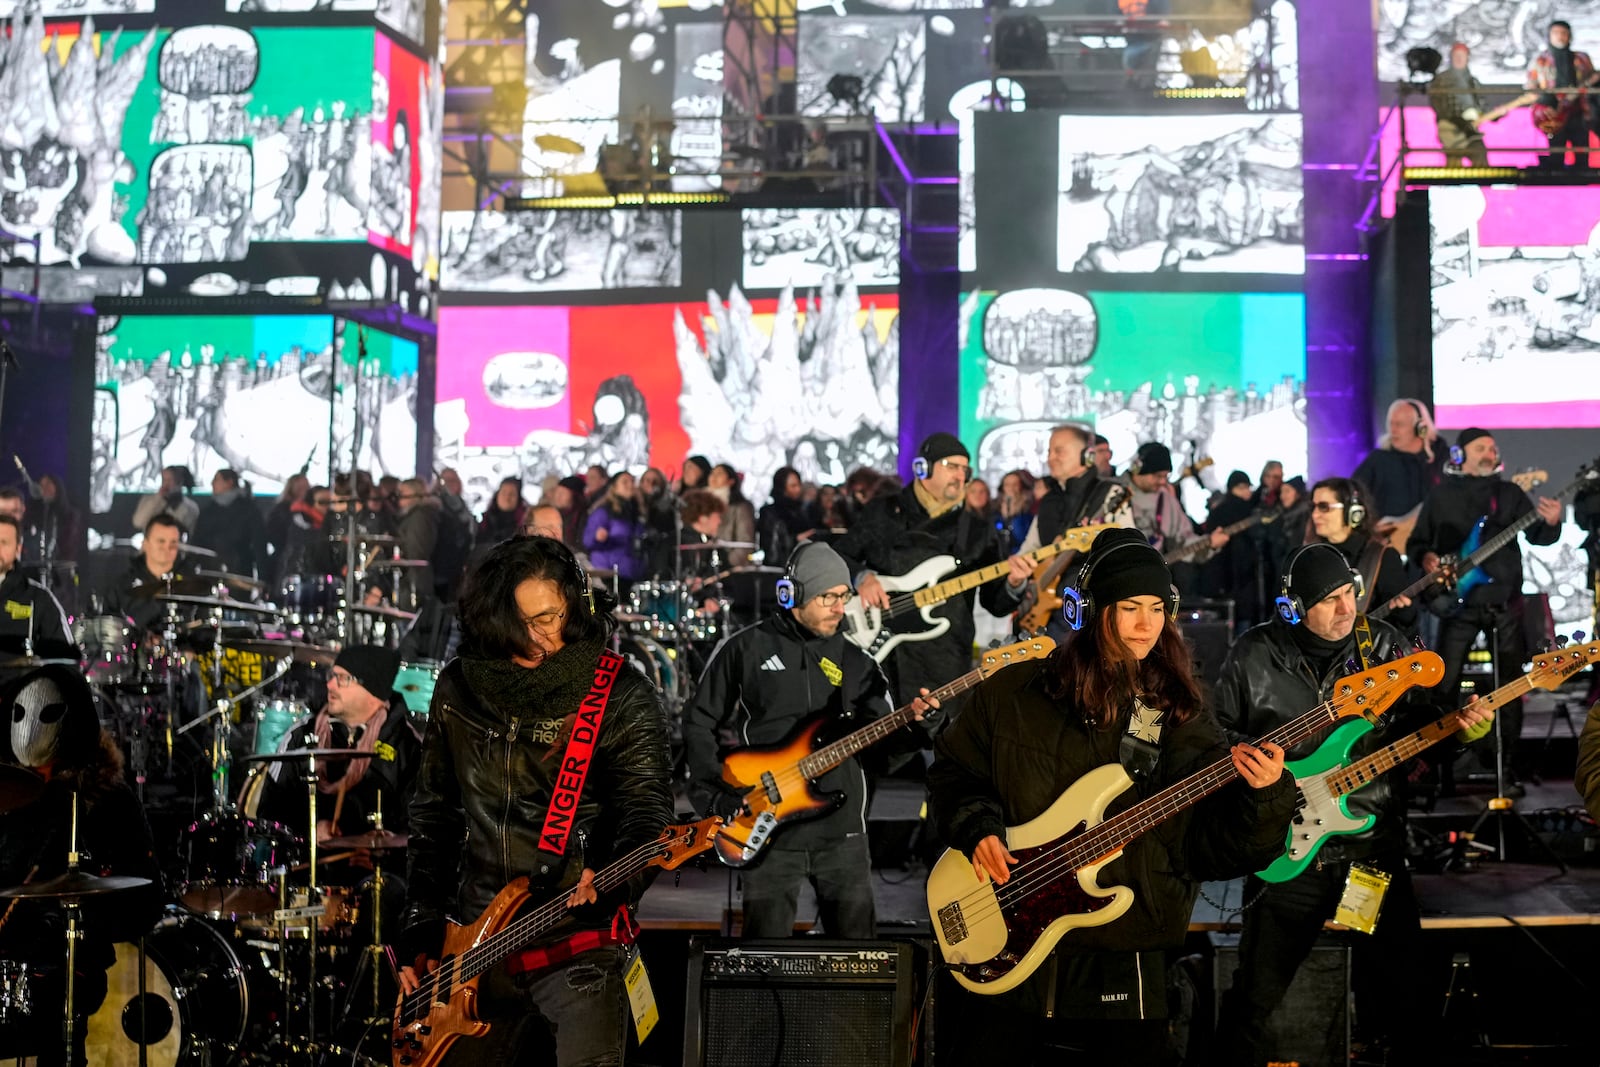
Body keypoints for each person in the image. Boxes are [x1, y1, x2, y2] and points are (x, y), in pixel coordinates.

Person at [927, 529, 1295, 1064]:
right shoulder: (1012, 693)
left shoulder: (1176, 713)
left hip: (1126, 956)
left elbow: (1211, 851)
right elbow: (954, 774)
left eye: (1156, 608)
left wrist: (1264, 799)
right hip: (1003, 934)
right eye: (1129, 608)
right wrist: (977, 827)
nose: (1147, 625)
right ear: (1090, 610)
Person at [1211, 544, 1491, 1066]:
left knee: (1408, 997)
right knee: (1253, 1000)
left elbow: (1421, 726)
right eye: (1329, 600)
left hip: (1370, 851)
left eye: (1349, 595)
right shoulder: (1253, 655)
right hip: (1286, 853)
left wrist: (1461, 733)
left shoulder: (1382, 647)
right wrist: (1255, 769)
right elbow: (1214, 734)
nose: (1346, 610)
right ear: (1294, 606)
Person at [399, 536, 673, 1065]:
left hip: (577, 943)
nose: (538, 638)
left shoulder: (620, 693)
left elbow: (648, 813)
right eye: (520, 624)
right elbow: (434, 814)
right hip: (473, 948)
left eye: (548, 617)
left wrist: (615, 873)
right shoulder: (460, 686)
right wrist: (421, 929)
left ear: (574, 604)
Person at [684, 543, 928, 937]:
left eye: (843, 597)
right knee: (765, 961)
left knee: (856, 959)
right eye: (827, 597)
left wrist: (920, 727)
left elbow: (883, 743)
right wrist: (712, 794)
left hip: (843, 834)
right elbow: (699, 722)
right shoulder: (744, 649)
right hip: (767, 827)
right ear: (791, 596)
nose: (839, 607)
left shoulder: (859, 663)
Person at [0, 665, 163, 1066]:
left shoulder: (106, 798)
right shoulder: (7, 789)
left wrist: (74, 919)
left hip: (67, 964)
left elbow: (144, 899)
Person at [1409, 428, 1564, 792]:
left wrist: (1552, 522)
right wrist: (1426, 558)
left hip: (1504, 604)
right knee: (1443, 687)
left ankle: (1505, 770)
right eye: (1481, 448)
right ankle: (1439, 770)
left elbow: (1538, 536)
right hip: (1456, 606)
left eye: (1493, 448)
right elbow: (1418, 543)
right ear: (1460, 455)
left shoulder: (1509, 494)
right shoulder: (1441, 495)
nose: (1490, 453)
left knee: (1509, 688)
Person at [832, 433, 1022, 708]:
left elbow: (996, 603)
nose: (960, 476)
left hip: (943, 662)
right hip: (878, 656)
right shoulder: (882, 511)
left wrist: (1014, 584)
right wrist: (863, 577)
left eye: (965, 470)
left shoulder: (978, 532)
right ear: (923, 468)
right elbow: (840, 554)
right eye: (951, 466)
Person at [259, 646, 422, 856]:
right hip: (305, 869)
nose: (329, 685)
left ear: (372, 690)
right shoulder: (300, 736)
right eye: (332, 676)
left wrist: (380, 846)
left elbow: (419, 827)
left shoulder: (408, 748)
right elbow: (268, 812)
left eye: (342, 678)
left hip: (377, 876)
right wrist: (310, 830)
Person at [1480, 19, 1598, 169]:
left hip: (1578, 113)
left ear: (1569, 36)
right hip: (1553, 114)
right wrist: (1545, 104)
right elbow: (1531, 86)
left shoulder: (1581, 58)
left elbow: (1592, 80)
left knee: (1582, 155)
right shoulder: (1541, 60)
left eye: (1563, 33)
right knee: (1556, 156)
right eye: (1556, 33)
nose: (1560, 37)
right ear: (1549, 36)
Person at [1307, 477, 1415, 631]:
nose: (1315, 514)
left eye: (1324, 507)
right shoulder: (1310, 557)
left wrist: (1405, 612)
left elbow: (1403, 627)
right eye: (1313, 507)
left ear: (1354, 512)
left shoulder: (1382, 557)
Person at [1350, 398, 1446, 550]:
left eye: (1399, 425)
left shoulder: (1442, 460)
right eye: (1391, 424)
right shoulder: (1378, 460)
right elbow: (1353, 495)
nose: (1393, 430)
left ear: (1420, 428)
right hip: (1391, 548)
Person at [1124, 442, 1228, 566]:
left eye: (1166, 476)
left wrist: (1209, 544)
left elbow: (1183, 540)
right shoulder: (1109, 491)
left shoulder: (1166, 499)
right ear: (1138, 470)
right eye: (1157, 476)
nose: (1163, 482)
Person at [102, 513, 199, 632]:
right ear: (145, 544)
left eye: (173, 543)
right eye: (161, 541)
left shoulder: (192, 586)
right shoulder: (121, 586)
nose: (167, 548)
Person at [0, 514, 72, 657]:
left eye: (3, 542)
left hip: (20, 678)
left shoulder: (38, 598)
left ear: (18, 549)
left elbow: (65, 660)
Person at [191, 468, 268, 577]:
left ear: (229, 482)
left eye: (216, 479)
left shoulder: (249, 510)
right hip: (209, 572)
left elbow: (259, 545)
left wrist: (263, 578)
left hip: (240, 573)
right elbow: (197, 541)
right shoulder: (208, 511)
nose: (212, 483)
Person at [1430, 42, 1491, 167]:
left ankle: (1481, 183)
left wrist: (1496, 114)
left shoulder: (1473, 81)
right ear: (1451, 57)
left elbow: (1482, 106)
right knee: (1454, 163)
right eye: (1456, 55)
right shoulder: (1442, 79)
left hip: (1470, 131)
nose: (1459, 59)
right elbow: (1437, 104)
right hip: (1452, 129)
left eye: (1462, 55)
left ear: (1467, 57)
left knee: (1479, 153)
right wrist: (1457, 121)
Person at [583, 470, 645, 581]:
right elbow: (587, 539)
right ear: (614, 487)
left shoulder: (637, 513)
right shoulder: (603, 512)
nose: (630, 485)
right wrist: (597, 537)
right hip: (608, 573)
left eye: (632, 481)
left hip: (631, 573)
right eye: (625, 482)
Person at [757, 465, 817, 564]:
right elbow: (771, 549)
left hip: (804, 564)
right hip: (780, 568)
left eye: (799, 485)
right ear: (782, 487)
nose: (797, 490)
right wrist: (795, 539)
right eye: (793, 486)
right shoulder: (769, 513)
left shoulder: (804, 511)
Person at [394, 477, 441, 599]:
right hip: (415, 576)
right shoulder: (418, 515)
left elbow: (417, 550)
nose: (399, 496)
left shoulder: (419, 517)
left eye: (403, 492)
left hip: (415, 579)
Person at [708, 463, 757, 566]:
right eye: (712, 473)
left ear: (731, 481)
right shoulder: (703, 505)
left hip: (731, 568)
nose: (714, 477)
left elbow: (745, 543)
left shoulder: (741, 507)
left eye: (719, 474)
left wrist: (727, 564)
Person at [266, 473, 311, 580]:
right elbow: (272, 534)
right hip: (284, 561)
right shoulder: (281, 510)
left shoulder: (311, 512)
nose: (304, 491)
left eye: (306, 488)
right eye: (300, 488)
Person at [130, 464, 199, 534]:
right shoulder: (149, 500)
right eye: (164, 480)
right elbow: (138, 523)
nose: (165, 484)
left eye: (169, 480)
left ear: (179, 482)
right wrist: (157, 498)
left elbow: (190, 532)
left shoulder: (191, 507)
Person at [994, 468, 1037, 553]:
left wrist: (1015, 515)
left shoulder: (1030, 508)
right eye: (1007, 484)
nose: (1011, 488)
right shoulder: (995, 508)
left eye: (1015, 484)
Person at [478, 475, 528, 547]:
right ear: (497, 495)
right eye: (504, 492)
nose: (507, 497)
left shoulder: (526, 526)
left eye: (512, 494)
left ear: (519, 498)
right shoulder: (483, 523)